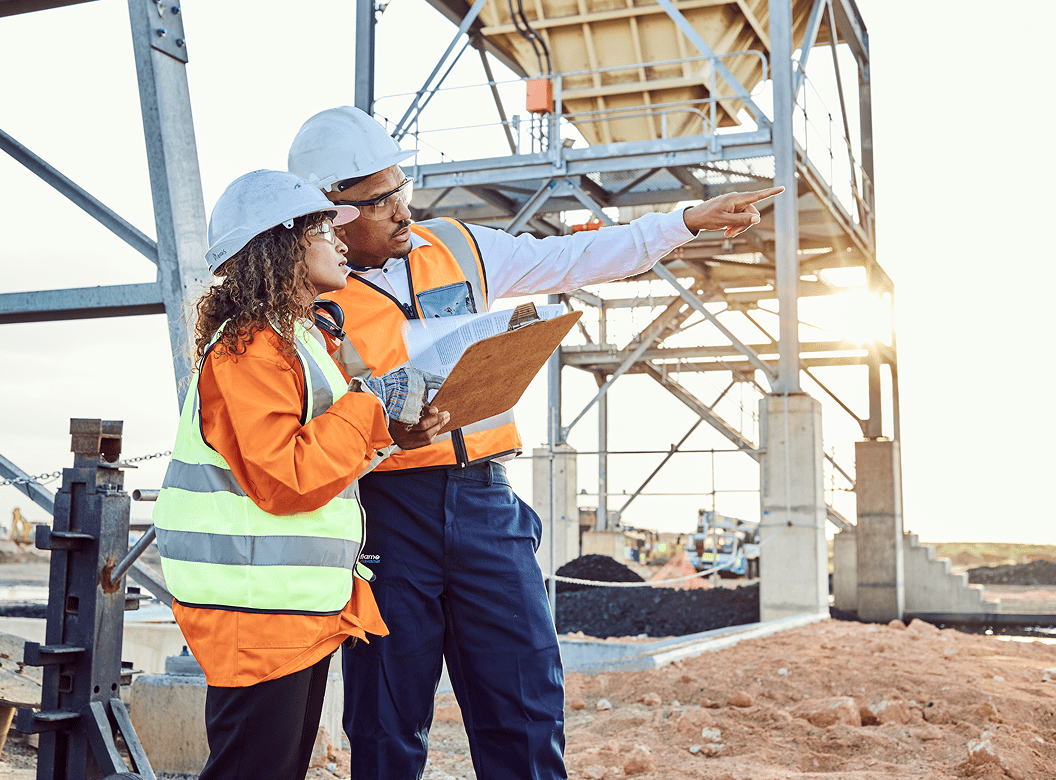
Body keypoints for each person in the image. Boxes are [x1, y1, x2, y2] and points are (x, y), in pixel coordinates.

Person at [288, 106, 783, 780]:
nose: (404, 211)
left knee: (524, 701)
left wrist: (685, 222)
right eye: (381, 202)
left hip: (486, 502)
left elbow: (572, 256)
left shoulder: (458, 245)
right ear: (332, 212)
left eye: (403, 190)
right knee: (384, 717)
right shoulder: (304, 295)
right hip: (386, 513)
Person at [151, 169, 440, 780]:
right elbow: (285, 478)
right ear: (280, 244)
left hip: (287, 607)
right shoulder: (253, 346)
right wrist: (368, 406)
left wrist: (391, 429)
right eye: (321, 229)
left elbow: (323, 460)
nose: (341, 240)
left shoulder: (296, 339)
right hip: (256, 611)